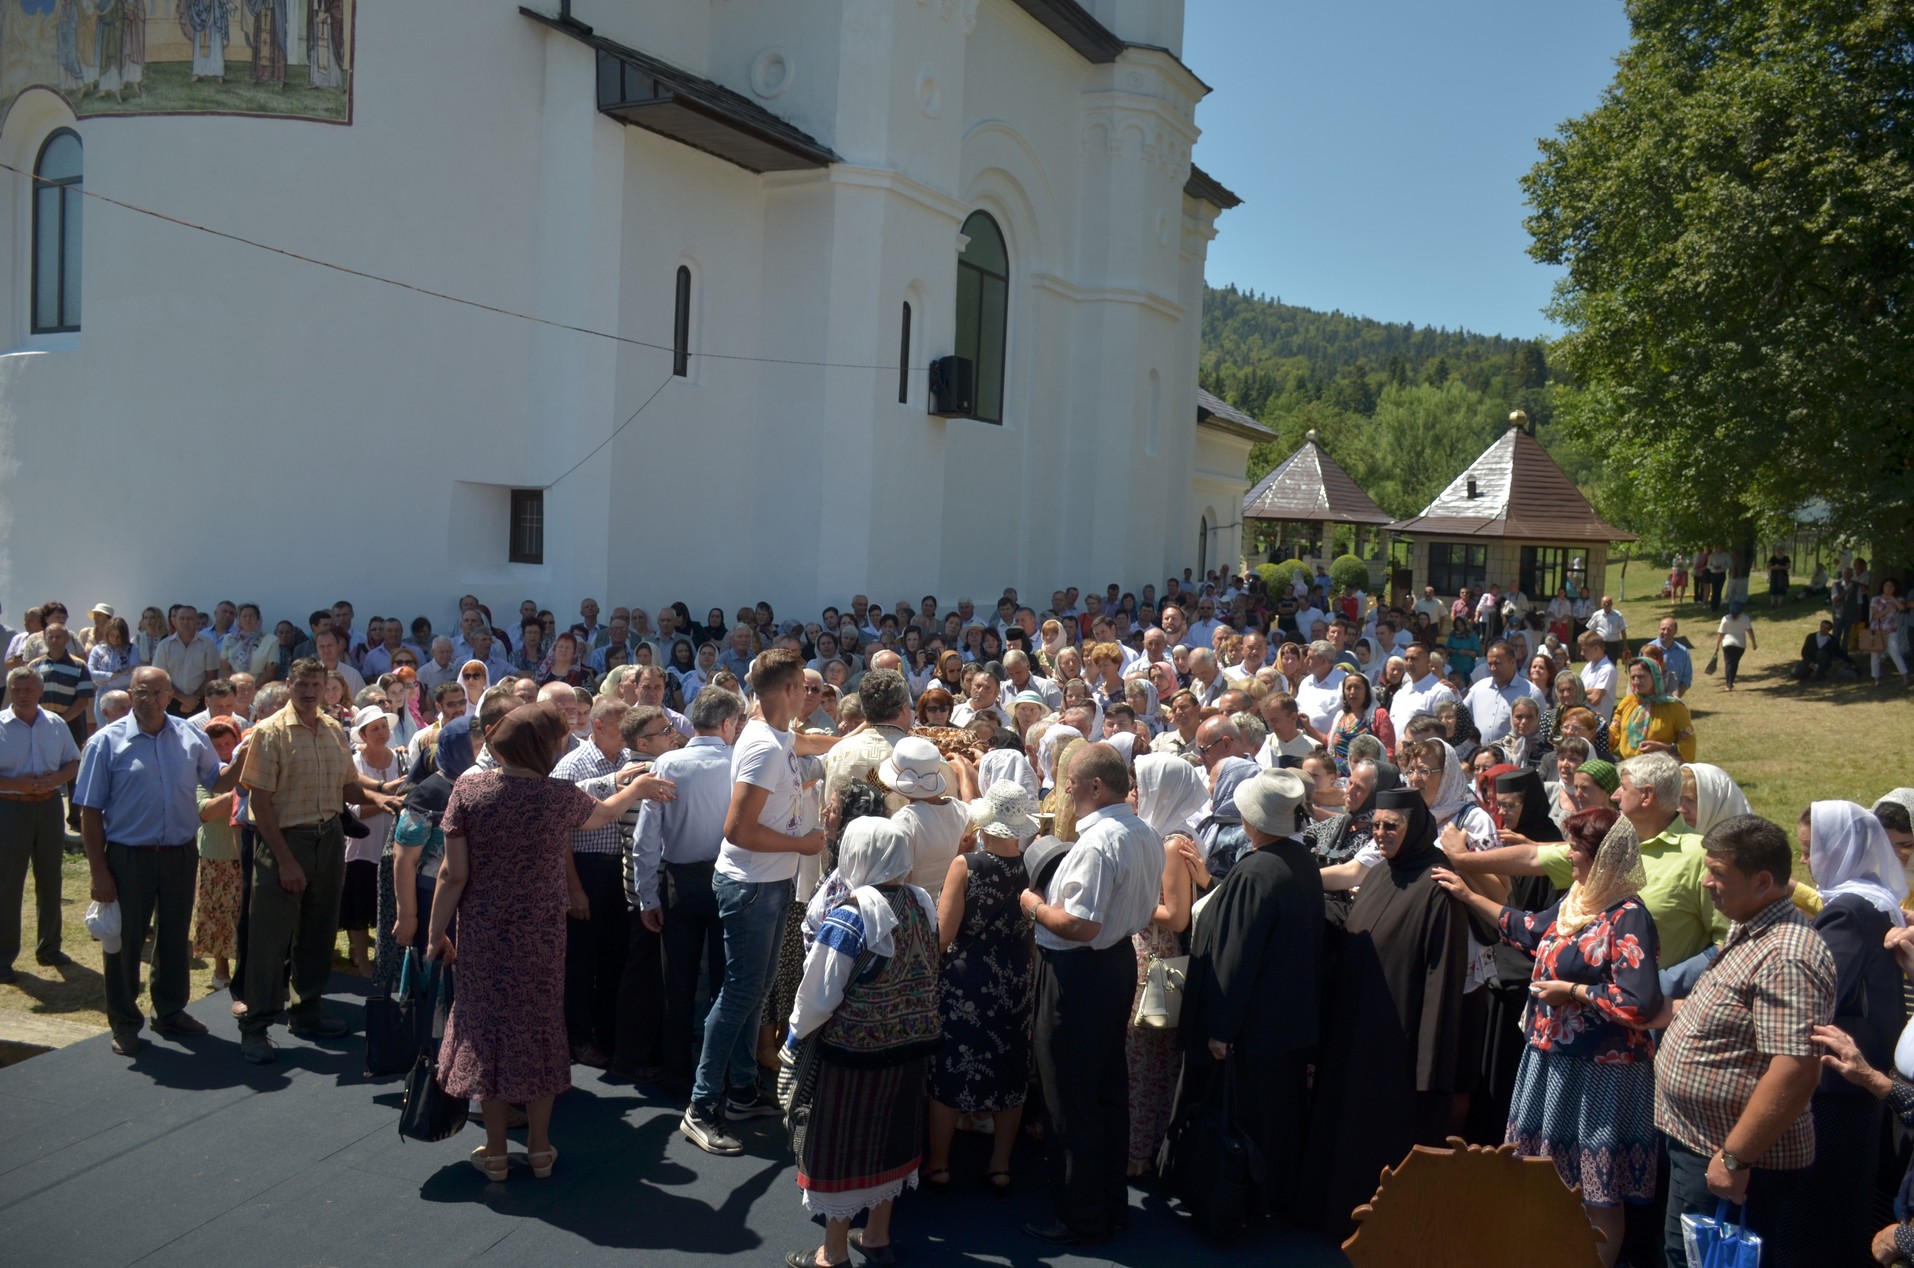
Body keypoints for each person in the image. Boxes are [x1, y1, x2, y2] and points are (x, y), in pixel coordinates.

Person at [424, 702, 660, 1181]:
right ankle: (538, 1148)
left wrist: (435, 933)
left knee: (486, 1029)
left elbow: (453, 873)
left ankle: (494, 1152)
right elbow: (602, 815)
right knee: (537, 1028)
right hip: (540, 932)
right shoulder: (555, 796)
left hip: (484, 931)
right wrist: (635, 785)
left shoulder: (469, 788)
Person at [1434, 810, 1662, 1267]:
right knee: (1547, 1181)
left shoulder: (1629, 915)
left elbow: (1640, 1003)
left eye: (1576, 849)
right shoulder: (1579, 900)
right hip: (1551, 1063)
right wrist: (1467, 894)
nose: (1569, 856)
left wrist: (1572, 992)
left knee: (1597, 1191)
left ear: (1604, 859)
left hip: (1601, 1075)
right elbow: (1531, 930)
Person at [1654, 813, 1835, 1268]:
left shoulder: (1788, 954)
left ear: (1762, 881)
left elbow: (1795, 1070)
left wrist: (1735, 1158)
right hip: (1702, 1145)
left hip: (1735, 1159)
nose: (1706, 884)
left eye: (1718, 874)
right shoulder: (1749, 926)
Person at [1305, 785, 1471, 1238]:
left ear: (1413, 826)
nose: (1380, 834)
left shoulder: (1438, 885)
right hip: (1353, 1027)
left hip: (1397, 1041)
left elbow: (1442, 978)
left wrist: (1427, 1063)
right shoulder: (1380, 873)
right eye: (1374, 825)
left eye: (1390, 826)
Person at [683, 649, 829, 1156]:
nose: (808, 698)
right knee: (740, 996)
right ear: (789, 690)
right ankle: (702, 1106)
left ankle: (742, 1089)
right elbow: (737, 829)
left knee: (756, 990)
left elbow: (804, 741)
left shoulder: (770, 733)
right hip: (752, 887)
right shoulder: (765, 745)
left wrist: (855, 738)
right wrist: (803, 843)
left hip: (767, 885)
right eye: (804, 688)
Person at [1018, 742, 1164, 1245]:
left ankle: (1079, 1215)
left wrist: (1033, 904)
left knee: (1069, 1098)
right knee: (1105, 1091)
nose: (1066, 792)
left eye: (1072, 783)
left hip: (1078, 975)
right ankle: (1108, 1206)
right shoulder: (1144, 832)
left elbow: (1079, 924)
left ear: (1096, 787)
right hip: (1114, 965)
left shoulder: (1099, 841)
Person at [781, 818, 941, 1268]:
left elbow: (818, 994)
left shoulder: (852, 916)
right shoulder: (921, 901)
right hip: (911, 1047)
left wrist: (795, 1036)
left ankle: (831, 1253)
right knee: (892, 1139)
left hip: (854, 1055)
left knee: (842, 1146)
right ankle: (876, 1234)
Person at [235, 660, 403, 1065]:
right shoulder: (270, 732)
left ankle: (306, 1011)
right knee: (269, 940)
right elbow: (258, 801)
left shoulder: (331, 729)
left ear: (328, 688)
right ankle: (256, 1027)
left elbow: (346, 784)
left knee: (318, 932)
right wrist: (286, 861)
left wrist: (380, 796)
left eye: (317, 683)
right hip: (282, 842)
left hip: (329, 839)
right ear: (290, 685)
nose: (310, 690)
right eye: (303, 683)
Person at [74, 666, 247, 1054]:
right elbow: (88, 811)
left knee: (173, 938)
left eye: (157, 693)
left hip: (180, 854)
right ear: (131, 694)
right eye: (141, 693)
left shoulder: (188, 735)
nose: (149, 701)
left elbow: (217, 780)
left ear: (170, 695)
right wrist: (99, 871)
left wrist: (241, 763)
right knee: (125, 943)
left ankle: (169, 1011)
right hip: (127, 857)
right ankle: (124, 1022)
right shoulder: (106, 742)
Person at [1180, 768, 1323, 1222]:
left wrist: (1221, 1028)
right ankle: (1271, 1201)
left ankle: (1235, 1204)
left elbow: (1234, 958)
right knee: (1278, 1118)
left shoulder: (1256, 871)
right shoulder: (1300, 863)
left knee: (1243, 1121)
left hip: (1251, 1030)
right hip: (1287, 1024)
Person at [1791, 801, 1908, 1259]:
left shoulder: (1849, 910)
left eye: (1809, 850)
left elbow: (1817, 990)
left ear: (1838, 849)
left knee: (1821, 1215)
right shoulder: (1873, 898)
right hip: (1857, 1081)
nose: (1804, 860)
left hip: (1835, 1086)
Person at [924, 780, 1041, 1192]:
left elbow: (942, 935)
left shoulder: (967, 865)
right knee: (1010, 1065)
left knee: (952, 1066)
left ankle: (939, 1164)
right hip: (1017, 975)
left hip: (968, 977)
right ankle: (1001, 1165)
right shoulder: (1034, 866)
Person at [630, 686, 745, 1087]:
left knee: (678, 983)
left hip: (680, 882)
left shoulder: (668, 763)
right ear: (728, 723)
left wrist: (646, 895)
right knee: (724, 982)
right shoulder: (738, 763)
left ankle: (678, 1069)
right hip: (728, 879)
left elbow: (646, 839)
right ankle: (719, 1073)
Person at [1125, 753, 1209, 1176]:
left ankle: (1141, 1154)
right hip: (1150, 951)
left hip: (1156, 958)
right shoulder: (1166, 834)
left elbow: (1176, 915)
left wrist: (1128, 901)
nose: (1134, 794)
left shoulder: (1173, 843)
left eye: (1141, 785)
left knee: (1145, 1060)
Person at [0, 667, 83, 983]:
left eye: (28, 689)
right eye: (17, 689)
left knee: (51, 877)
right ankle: (3, 956)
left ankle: (49, 946)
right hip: (9, 808)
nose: (22, 694)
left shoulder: (55, 724)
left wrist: (58, 778)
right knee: (8, 883)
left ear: (40, 691)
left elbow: (73, 762)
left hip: (48, 807)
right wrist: (16, 784)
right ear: (10, 691)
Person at [190, 718, 246, 991]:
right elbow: (204, 811)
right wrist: (236, 791)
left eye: (229, 743)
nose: (224, 749)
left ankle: (244, 968)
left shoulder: (249, 768)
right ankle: (221, 969)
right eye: (217, 745)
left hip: (245, 853)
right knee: (218, 914)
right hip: (216, 854)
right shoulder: (202, 773)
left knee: (243, 913)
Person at [1608, 657, 1697, 762]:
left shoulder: (1674, 707)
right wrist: (1600, 729)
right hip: (1627, 769)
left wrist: (1663, 747)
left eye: (1641, 676)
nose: (1636, 681)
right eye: (1633, 677)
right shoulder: (1627, 703)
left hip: (1659, 771)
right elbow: (1614, 732)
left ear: (1655, 676)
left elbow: (1689, 742)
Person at [1868, 578, 1910, 686]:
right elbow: (1876, 615)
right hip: (1877, 630)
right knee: (1875, 654)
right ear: (1882, 587)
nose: (1889, 588)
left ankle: (1905, 676)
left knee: (1894, 652)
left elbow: (1902, 607)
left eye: (1891, 586)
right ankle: (1876, 678)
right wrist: (1887, 610)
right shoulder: (1876, 599)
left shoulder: (1898, 598)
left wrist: (1892, 598)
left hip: (1891, 630)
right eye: (1886, 586)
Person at [1712, 600, 1757, 692]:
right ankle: (1730, 683)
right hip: (1740, 645)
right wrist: (1754, 643)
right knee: (1734, 663)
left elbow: (1720, 634)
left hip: (1727, 644)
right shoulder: (1745, 618)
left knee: (1729, 663)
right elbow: (1750, 631)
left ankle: (1728, 684)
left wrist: (1717, 646)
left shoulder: (1725, 619)